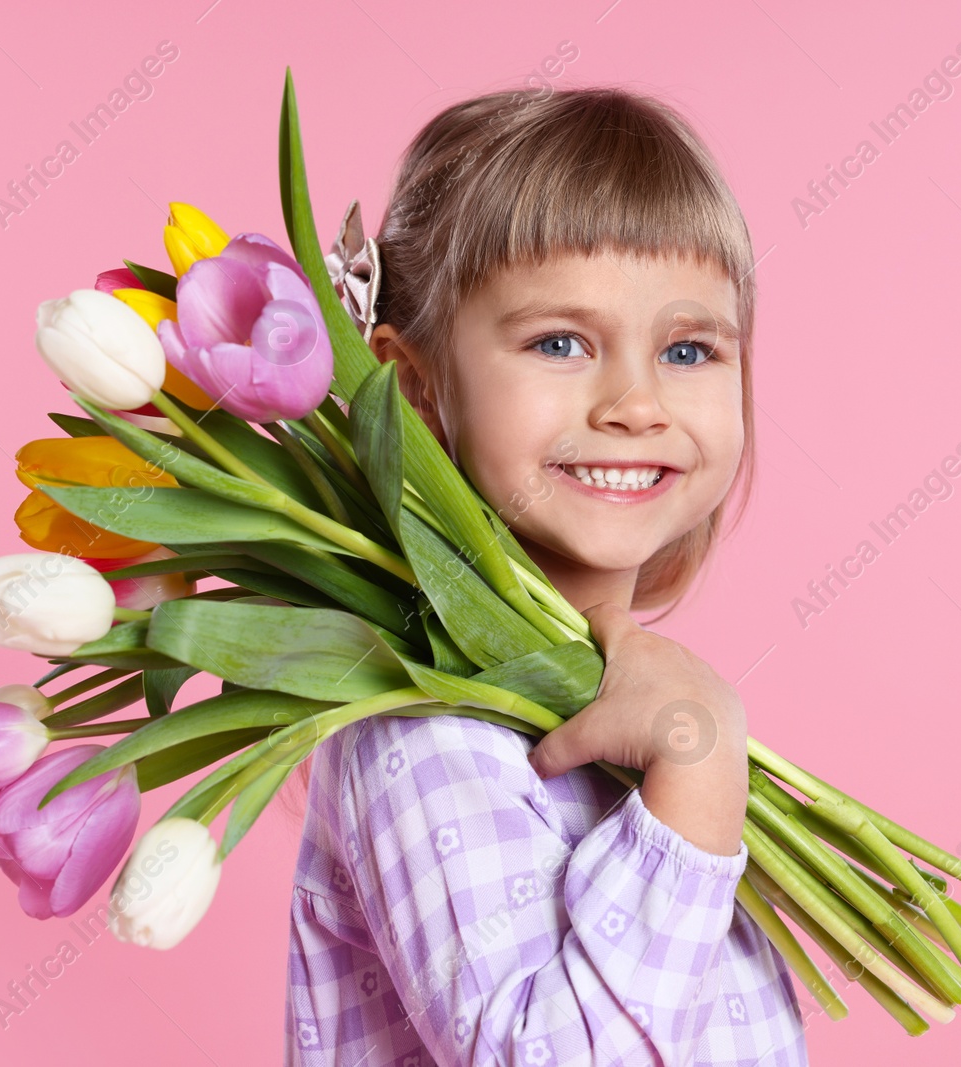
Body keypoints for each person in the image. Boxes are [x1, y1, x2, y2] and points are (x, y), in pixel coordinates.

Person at [283, 84, 808, 1066]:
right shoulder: (421, 726)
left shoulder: (639, 695)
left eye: (688, 348)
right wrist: (696, 774)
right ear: (414, 386)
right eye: (560, 342)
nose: (634, 402)